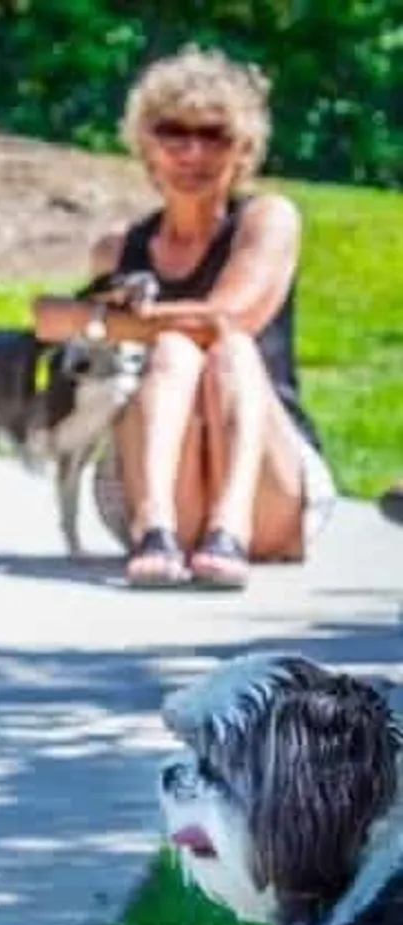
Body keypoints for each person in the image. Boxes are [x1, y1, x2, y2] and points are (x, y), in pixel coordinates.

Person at [37, 46, 335, 589]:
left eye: (214, 134)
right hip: (157, 486)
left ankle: (229, 529)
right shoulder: (118, 249)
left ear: (243, 148)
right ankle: (156, 530)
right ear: (145, 144)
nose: (192, 151)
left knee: (228, 347)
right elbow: (48, 332)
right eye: (172, 131)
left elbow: (229, 317)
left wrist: (93, 318)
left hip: (267, 487)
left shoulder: (265, 220)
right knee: (172, 351)